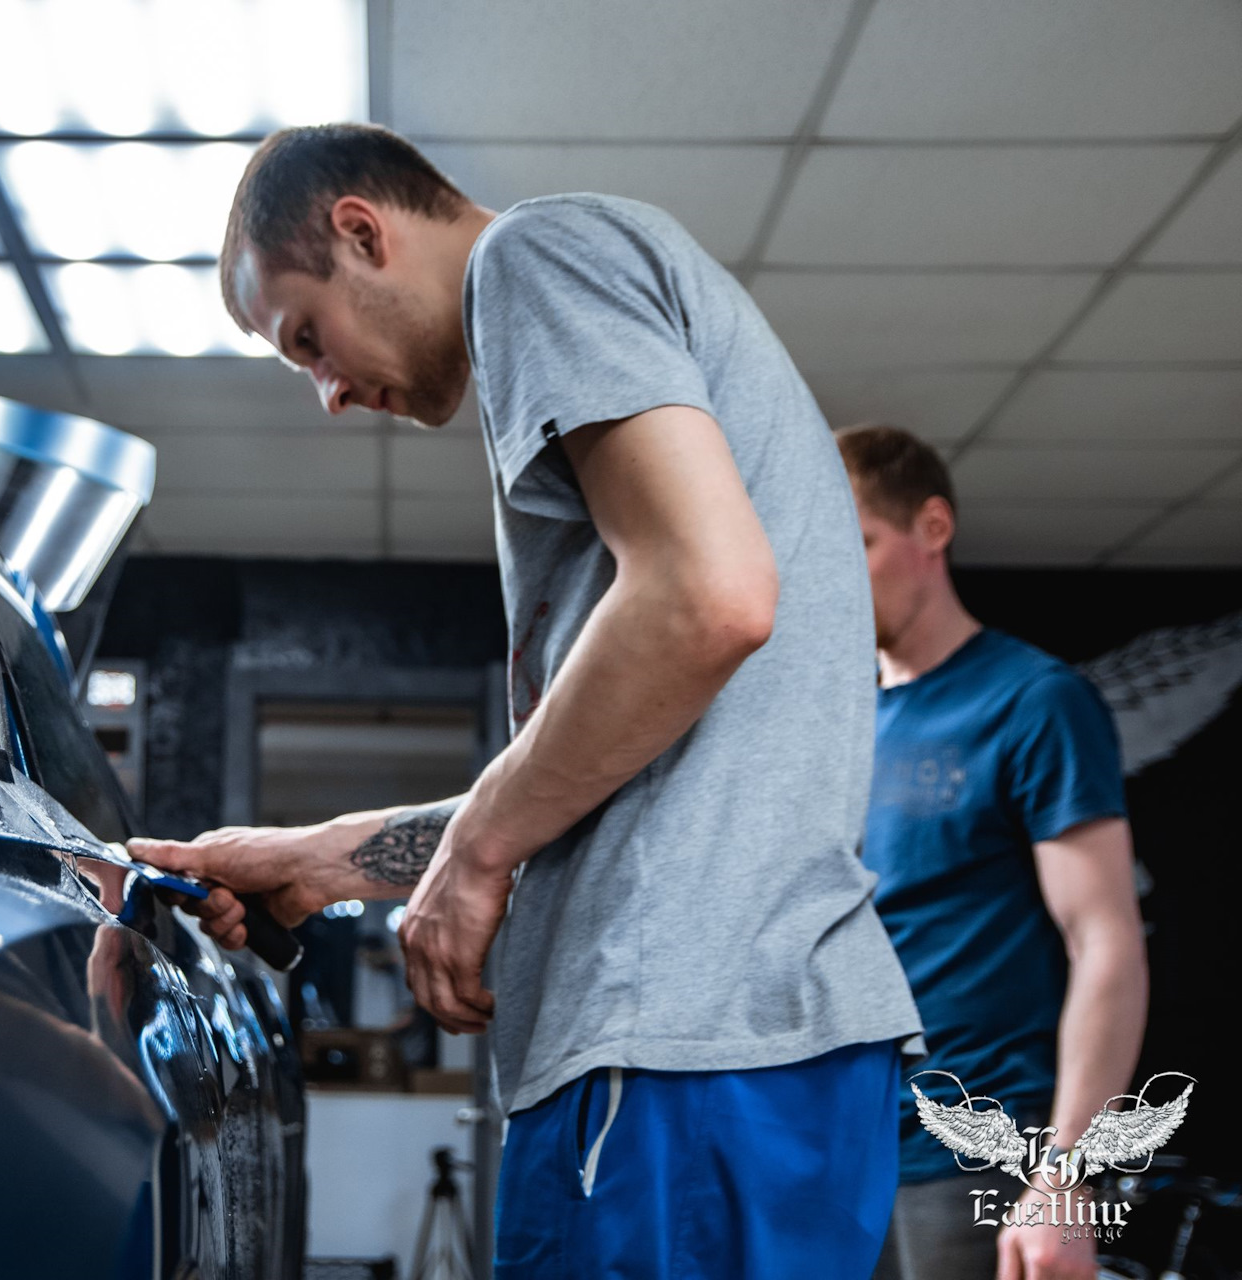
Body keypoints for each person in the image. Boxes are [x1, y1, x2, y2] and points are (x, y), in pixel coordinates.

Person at [129, 123, 924, 1277]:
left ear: (363, 232)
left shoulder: (534, 258)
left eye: (309, 337)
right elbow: (622, 780)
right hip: (749, 1049)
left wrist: (480, 855)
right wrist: (326, 859)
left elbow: (711, 595)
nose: (329, 393)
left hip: (671, 1058)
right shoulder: (595, 300)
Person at [838, 425, 1148, 1280]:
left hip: (983, 1161)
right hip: (845, 1158)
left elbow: (1106, 942)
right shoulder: (846, 729)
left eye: (858, 543)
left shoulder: (1034, 700)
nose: (834, 573)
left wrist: (1067, 1180)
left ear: (931, 528)